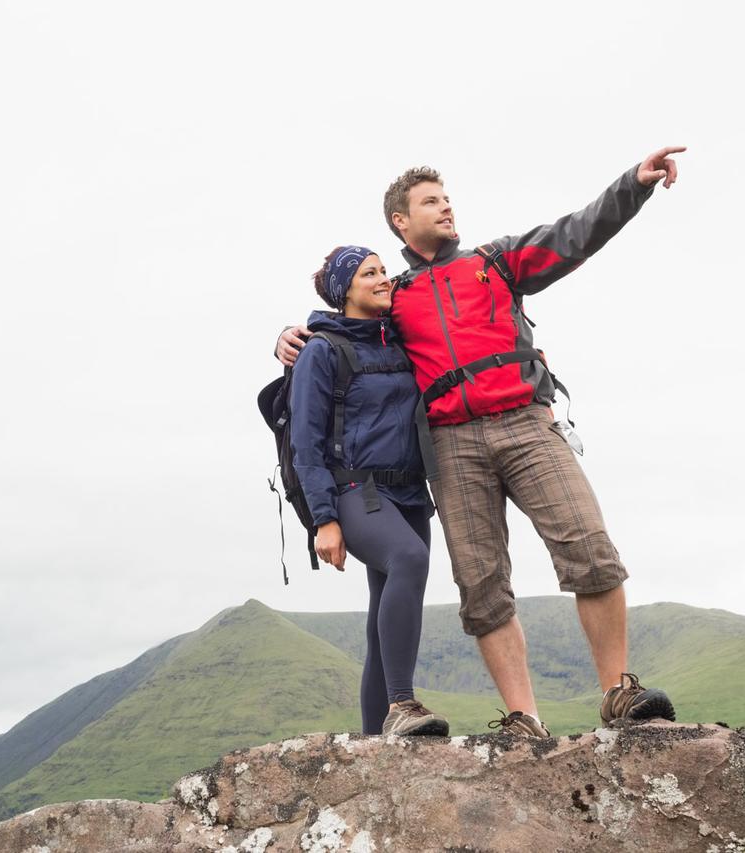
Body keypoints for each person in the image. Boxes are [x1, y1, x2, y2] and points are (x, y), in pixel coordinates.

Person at [277, 148, 687, 736]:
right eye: (430, 201)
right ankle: (524, 720)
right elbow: (346, 328)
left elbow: (575, 235)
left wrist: (633, 185)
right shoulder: (394, 299)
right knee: (481, 586)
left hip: (526, 423)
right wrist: (289, 336)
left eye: (447, 199)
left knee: (588, 547)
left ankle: (619, 695)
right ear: (401, 220)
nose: (446, 208)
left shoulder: (494, 262)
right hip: (449, 445)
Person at [289, 244, 448, 738]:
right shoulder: (321, 350)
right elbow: (306, 444)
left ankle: (377, 746)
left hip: (409, 494)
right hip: (353, 490)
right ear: (345, 291)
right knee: (408, 559)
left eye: (384, 271)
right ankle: (402, 703)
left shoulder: (399, 340)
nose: (384, 280)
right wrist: (324, 519)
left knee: (383, 618)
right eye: (369, 274)